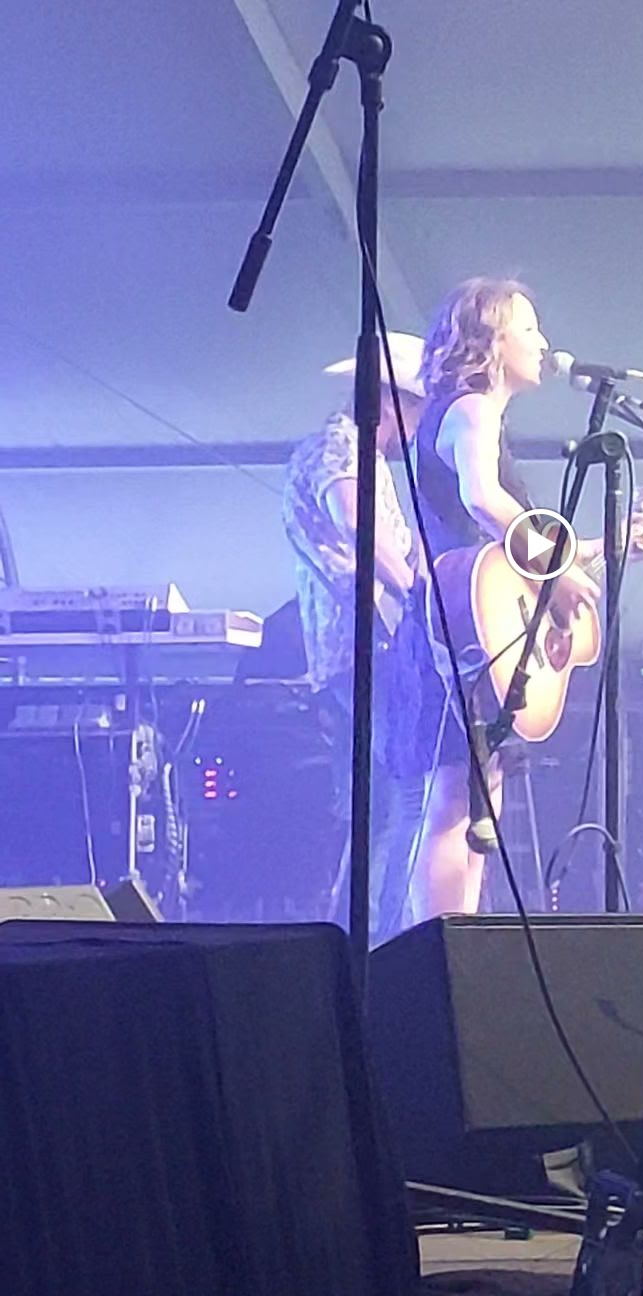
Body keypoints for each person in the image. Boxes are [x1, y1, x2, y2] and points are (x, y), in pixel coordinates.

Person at [400, 278, 643, 922]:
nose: (543, 343)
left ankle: (459, 937)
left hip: (470, 616)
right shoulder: (473, 409)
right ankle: (442, 944)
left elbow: (510, 553)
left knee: (475, 798)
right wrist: (556, 569)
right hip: (458, 621)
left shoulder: (471, 414)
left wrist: (605, 546)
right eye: (529, 329)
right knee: (455, 801)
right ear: (490, 341)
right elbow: (483, 501)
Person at [281, 331, 426, 940]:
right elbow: (360, 527)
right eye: (420, 408)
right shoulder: (341, 447)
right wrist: (421, 598)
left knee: (386, 806)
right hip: (365, 649)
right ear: (395, 402)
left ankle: (362, 940)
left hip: (368, 648)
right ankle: (380, 943)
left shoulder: (358, 454)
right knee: (399, 800)